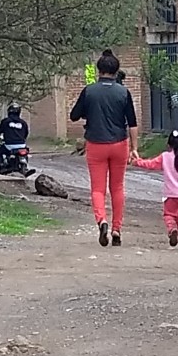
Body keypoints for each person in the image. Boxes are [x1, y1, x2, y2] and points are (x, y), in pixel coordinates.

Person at [70, 49, 139, 248]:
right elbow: (132, 123)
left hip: (96, 144)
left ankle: (102, 221)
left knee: (98, 189)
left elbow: (74, 115)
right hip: (119, 144)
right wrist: (134, 148)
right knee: (117, 188)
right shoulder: (124, 92)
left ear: (99, 70)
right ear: (116, 71)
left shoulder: (89, 91)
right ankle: (117, 229)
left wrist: (89, 112)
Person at [132, 131, 178, 250]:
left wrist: (136, 162)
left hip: (170, 196)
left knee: (169, 215)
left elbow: (150, 164)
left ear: (169, 144)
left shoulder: (164, 157)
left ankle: (172, 229)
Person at [0, 102, 35, 177]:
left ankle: (2, 165)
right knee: (25, 152)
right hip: (22, 145)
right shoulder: (23, 123)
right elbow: (26, 134)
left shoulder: (5, 121)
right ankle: (25, 167)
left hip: (10, 145)